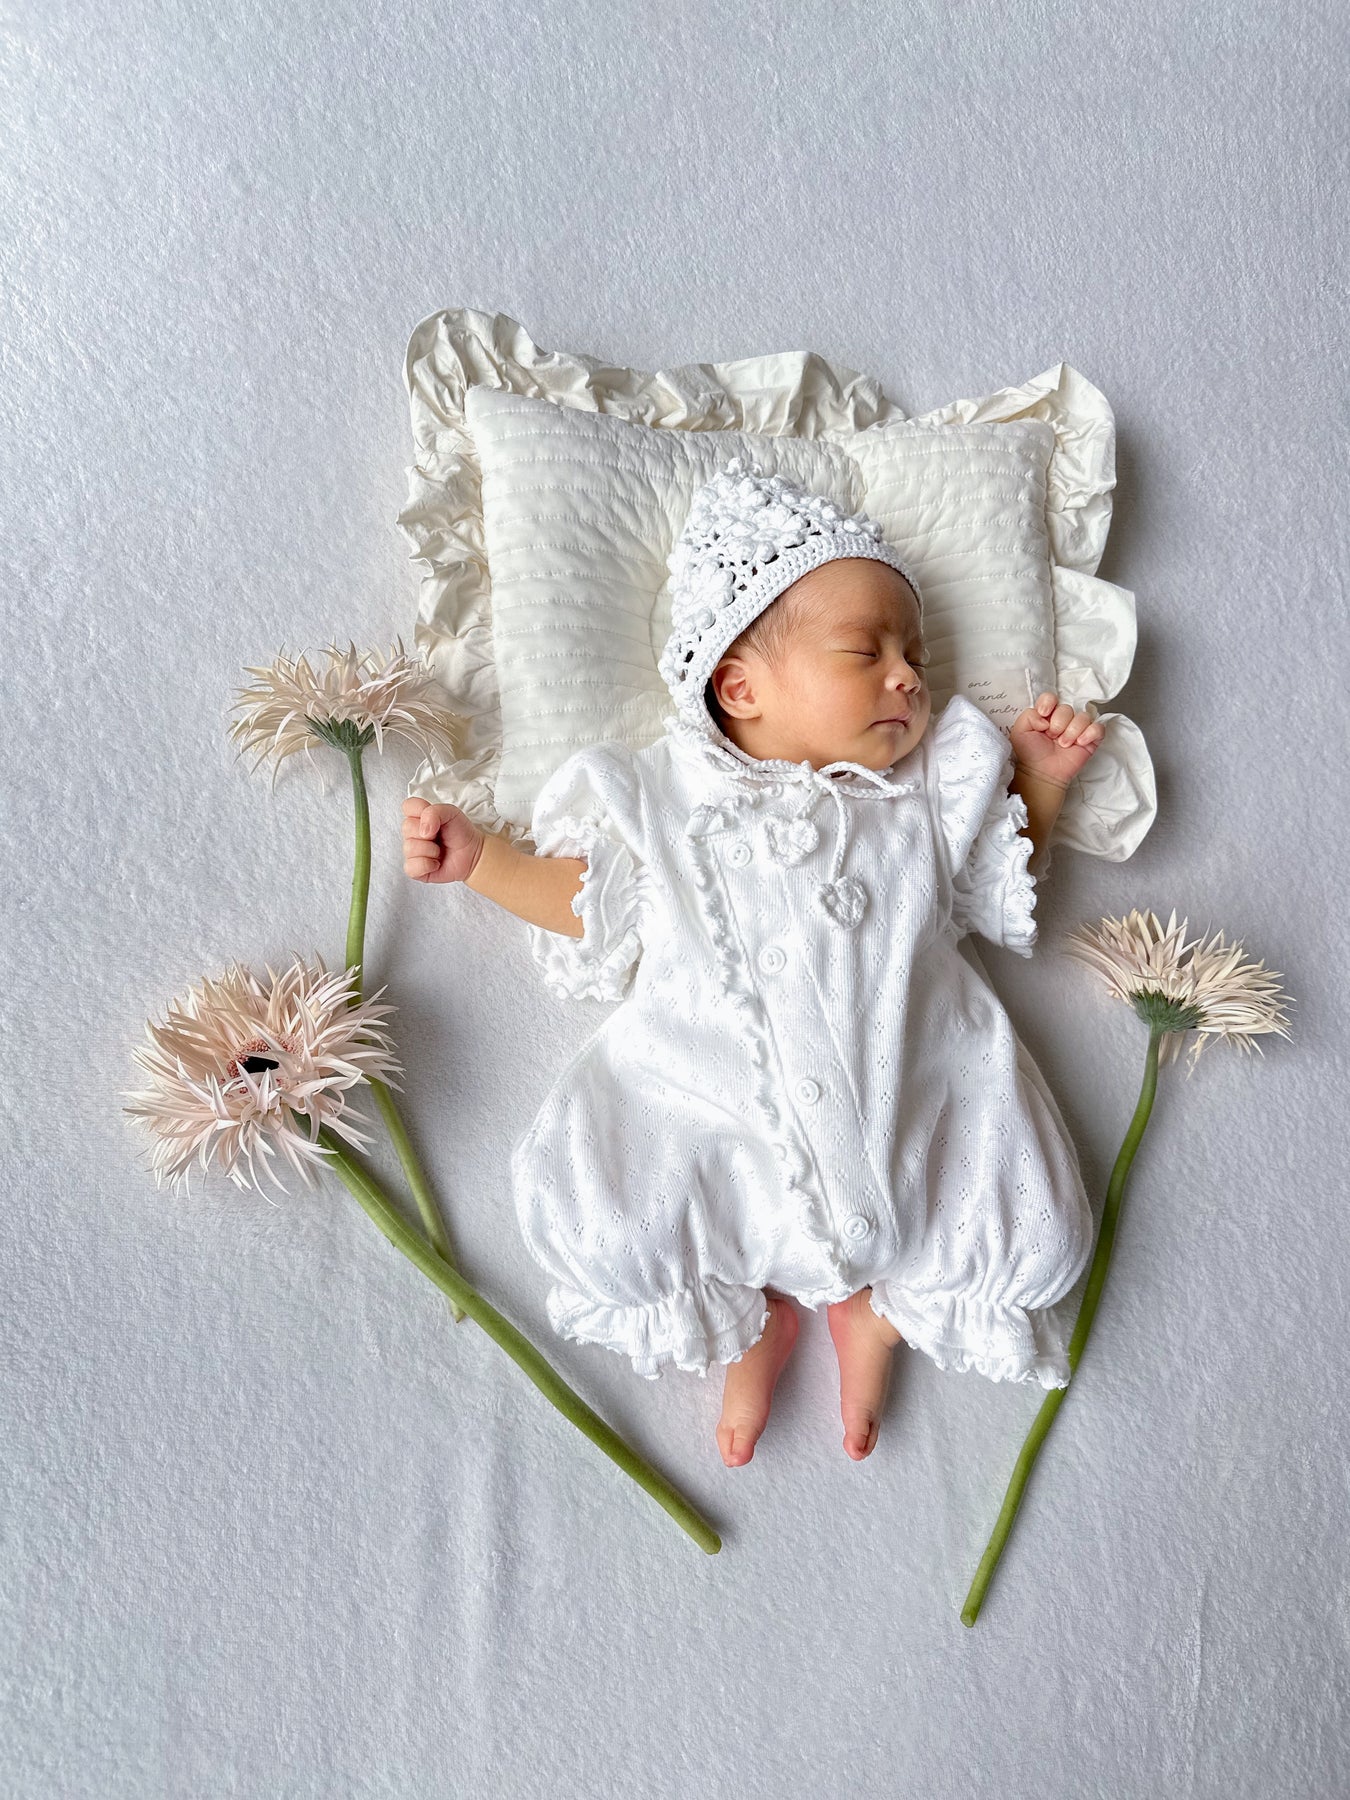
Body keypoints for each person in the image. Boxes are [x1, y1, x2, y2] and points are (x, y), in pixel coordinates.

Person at [402, 457, 1104, 1469]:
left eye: (915, 654)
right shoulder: (667, 799)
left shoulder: (920, 799)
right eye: (867, 651)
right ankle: (749, 1324)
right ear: (739, 686)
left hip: (914, 1090)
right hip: (705, 1098)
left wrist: (1039, 782)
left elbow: (998, 883)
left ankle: (879, 1314)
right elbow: (590, 900)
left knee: (1035, 1226)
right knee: (627, 1220)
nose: (909, 676)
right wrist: (482, 862)